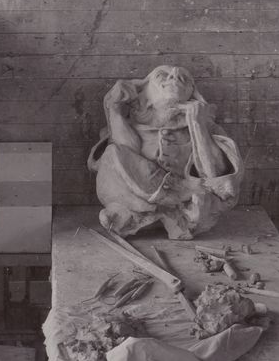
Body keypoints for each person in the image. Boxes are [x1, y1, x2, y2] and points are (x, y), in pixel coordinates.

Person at [88, 65, 243, 239]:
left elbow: (220, 182)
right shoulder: (132, 126)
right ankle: (159, 204)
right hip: (142, 202)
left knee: (203, 200)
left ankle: (171, 205)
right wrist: (114, 108)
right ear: (145, 93)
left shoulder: (207, 127)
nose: (174, 77)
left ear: (192, 94)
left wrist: (198, 125)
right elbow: (124, 156)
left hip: (189, 206)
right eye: (162, 75)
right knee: (111, 154)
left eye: (183, 78)